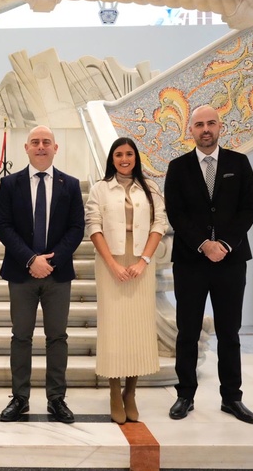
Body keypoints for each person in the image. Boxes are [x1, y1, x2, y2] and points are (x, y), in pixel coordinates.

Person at [164, 104, 253, 424]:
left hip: (231, 261)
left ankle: (232, 398)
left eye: (211, 124)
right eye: (199, 125)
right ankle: (185, 395)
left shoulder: (239, 163)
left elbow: (248, 210)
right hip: (191, 261)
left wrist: (225, 245)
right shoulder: (178, 167)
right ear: (190, 130)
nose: (206, 129)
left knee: (229, 332)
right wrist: (204, 245)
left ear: (221, 127)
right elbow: (175, 213)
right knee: (187, 331)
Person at [0, 125, 85, 424]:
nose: (41, 146)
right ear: (26, 148)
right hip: (21, 274)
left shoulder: (70, 185)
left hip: (57, 275)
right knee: (20, 336)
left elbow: (76, 229)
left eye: (47, 142)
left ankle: (56, 399)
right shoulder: (9, 185)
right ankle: (19, 398)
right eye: (35, 142)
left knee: (57, 337)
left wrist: (52, 260)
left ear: (55, 148)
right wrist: (31, 259)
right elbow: (4, 227)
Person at [84, 137, 168, 424]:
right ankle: (113, 390)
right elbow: (93, 226)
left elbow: (160, 223)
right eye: (118, 154)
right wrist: (112, 264)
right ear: (112, 158)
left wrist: (144, 260)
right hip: (111, 262)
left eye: (129, 154)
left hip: (141, 262)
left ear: (135, 157)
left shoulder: (151, 187)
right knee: (114, 328)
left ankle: (130, 393)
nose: (124, 159)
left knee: (138, 328)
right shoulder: (100, 188)